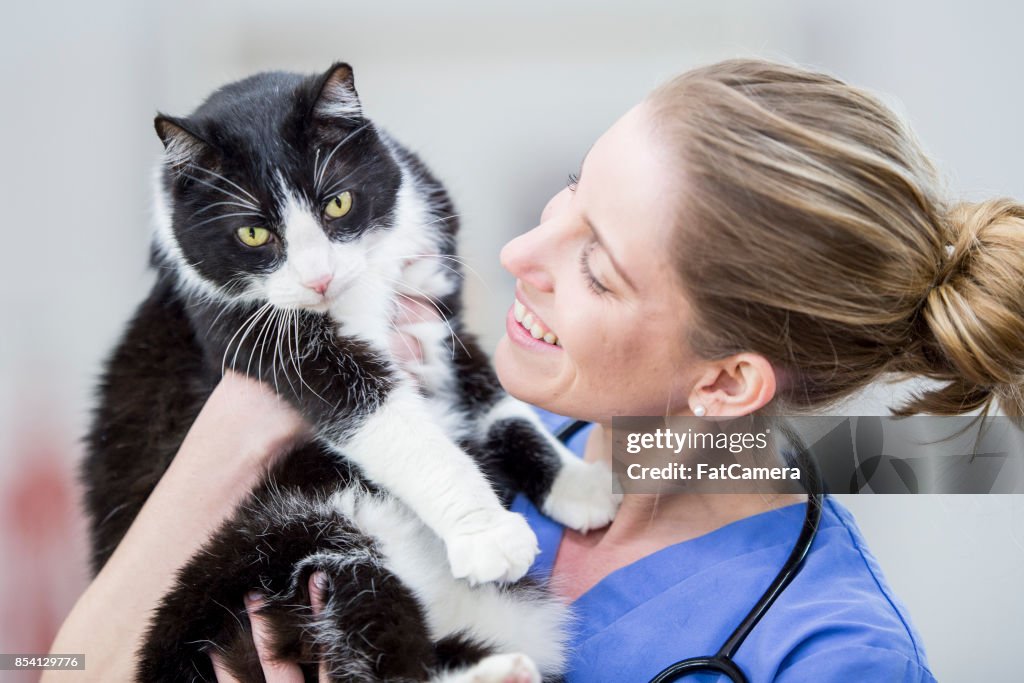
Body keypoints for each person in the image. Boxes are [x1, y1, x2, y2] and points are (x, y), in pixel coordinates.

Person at [47, 58, 1024, 681]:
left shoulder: (831, 654)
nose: (519, 253)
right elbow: (76, 670)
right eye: (568, 194)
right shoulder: (482, 440)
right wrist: (236, 432)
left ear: (725, 382)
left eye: (593, 266)